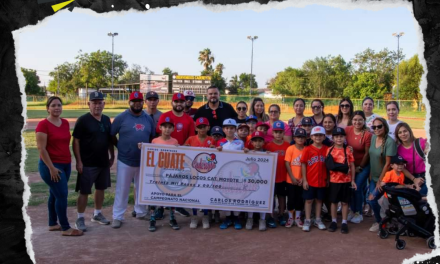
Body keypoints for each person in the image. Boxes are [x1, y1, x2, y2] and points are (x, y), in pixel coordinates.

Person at [35, 96, 83, 236]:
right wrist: (51, 168)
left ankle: (52, 223)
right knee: (62, 195)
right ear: (48, 108)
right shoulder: (43, 125)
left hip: (65, 164)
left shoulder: (65, 123)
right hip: (50, 165)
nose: (57, 108)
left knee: (54, 194)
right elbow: (41, 148)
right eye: (53, 105)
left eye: (59, 105)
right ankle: (65, 227)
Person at [110, 91, 155, 229]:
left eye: (139, 101)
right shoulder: (122, 117)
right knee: (122, 189)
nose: (137, 103)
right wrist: (120, 147)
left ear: (143, 102)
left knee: (141, 188)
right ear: (129, 102)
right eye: (134, 101)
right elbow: (111, 134)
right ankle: (117, 216)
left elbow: (152, 138)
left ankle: (141, 212)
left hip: (143, 160)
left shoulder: (148, 118)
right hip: (125, 159)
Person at [72, 92, 114, 232]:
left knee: (100, 188)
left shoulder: (107, 119)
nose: (97, 105)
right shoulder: (83, 120)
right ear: (88, 104)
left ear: (104, 104)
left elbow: (109, 140)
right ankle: (80, 217)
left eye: (99, 102)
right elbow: (76, 141)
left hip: (103, 161)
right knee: (84, 191)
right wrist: (79, 161)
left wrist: (112, 155)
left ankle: (97, 214)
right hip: (87, 162)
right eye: (94, 102)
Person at [148, 116, 180, 231]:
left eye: (170, 127)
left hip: (169, 173)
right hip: (157, 172)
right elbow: (150, 155)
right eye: (165, 127)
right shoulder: (155, 141)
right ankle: (152, 218)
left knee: (170, 195)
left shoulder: (175, 142)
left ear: (173, 129)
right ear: (160, 127)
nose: (167, 129)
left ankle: (172, 217)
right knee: (154, 195)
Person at [367, 117, 396, 232]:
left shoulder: (390, 142)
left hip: (385, 179)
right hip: (373, 176)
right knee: (370, 199)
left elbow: (388, 164)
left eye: (379, 126)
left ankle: (381, 221)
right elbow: (371, 157)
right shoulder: (373, 138)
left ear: (385, 127)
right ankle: (383, 220)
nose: (376, 129)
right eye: (374, 127)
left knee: (372, 199)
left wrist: (380, 180)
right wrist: (370, 174)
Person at [184, 117, 214, 229]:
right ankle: (195, 215)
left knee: (205, 194)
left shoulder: (211, 139)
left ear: (208, 127)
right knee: (194, 194)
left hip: (207, 172)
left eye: (204, 127)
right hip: (193, 172)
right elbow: (184, 153)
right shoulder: (191, 139)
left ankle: (205, 216)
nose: (202, 129)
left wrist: (214, 149)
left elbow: (216, 157)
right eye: (199, 127)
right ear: (196, 128)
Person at [326, 127, 356, 234]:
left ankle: (344, 222)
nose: (339, 138)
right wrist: (328, 179)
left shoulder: (348, 150)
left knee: (344, 202)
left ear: (344, 137)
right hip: (334, 181)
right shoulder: (329, 150)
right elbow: (328, 166)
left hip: (346, 180)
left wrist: (352, 180)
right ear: (333, 138)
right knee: (333, 202)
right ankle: (334, 221)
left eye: (341, 136)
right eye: (336, 136)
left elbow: (352, 165)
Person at [216, 118, 245, 230]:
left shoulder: (240, 142)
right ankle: (228, 217)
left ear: (235, 129)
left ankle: (236, 217)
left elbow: (244, 156)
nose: (229, 130)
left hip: (237, 173)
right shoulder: (220, 142)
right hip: (225, 173)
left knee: (237, 194)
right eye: (227, 128)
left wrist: (246, 151)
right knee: (226, 194)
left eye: (232, 128)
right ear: (223, 129)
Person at [300, 126, 329, 232]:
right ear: (311, 137)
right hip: (310, 180)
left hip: (322, 180)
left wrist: (328, 179)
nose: (318, 137)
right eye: (316, 135)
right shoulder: (307, 149)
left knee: (319, 200)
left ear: (324, 136)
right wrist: (305, 180)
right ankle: (307, 219)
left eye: (320, 135)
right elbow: (303, 164)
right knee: (308, 200)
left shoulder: (327, 149)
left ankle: (317, 219)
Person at [345, 111, 372, 224]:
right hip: (350, 164)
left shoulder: (367, 134)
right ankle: (352, 210)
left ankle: (359, 213)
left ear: (364, 121)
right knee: (350, 188)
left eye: (360, 120)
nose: (357, 122)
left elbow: (367, 153)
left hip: (363, 165)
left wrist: (360, 167)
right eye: (355, 119)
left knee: (357, 187)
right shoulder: (347, 130)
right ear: (352, 120)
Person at [265, 121, 290, 227]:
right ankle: (270, 216)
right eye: (276, 132)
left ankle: (281, 214)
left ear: (284, 133)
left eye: (280, 132)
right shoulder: (268, 146)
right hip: (271, 177)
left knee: (282, 197)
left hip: (283, 176)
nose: (278, 134)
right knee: (270, 197)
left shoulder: (287, 146)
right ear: (272, 133)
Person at [395, 122, 428, 196]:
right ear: (397, 136)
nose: (403, 134)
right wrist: (414, 179)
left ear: (409, 131)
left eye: (405, 131)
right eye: (400, 132)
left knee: (420, 196)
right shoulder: (399, 150)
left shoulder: (420, 143)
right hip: (409, 177)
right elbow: (402, 168)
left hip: (424, 176)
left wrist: (428, 148)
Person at [245, 131, 268, 231]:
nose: (257, 143)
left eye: (260, 141)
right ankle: (250, 218)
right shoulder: (248, 152)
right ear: (251, 142)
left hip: (263, 182)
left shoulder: (267, 153)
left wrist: (269, 156)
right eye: (255, 141)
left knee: (263, 197)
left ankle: (262, 219)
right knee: (251, 197)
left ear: (263, 142)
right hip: (251, 182)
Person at [285, 128, 307, 228]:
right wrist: (292, 178)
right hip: (291, 179)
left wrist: (303, 178)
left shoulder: (307, 149)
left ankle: (297, 217)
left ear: (305, 139)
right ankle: (290, 217)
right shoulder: (291, 148)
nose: (300, 139)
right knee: (291, 199)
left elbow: (307, 165)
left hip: (302, 180)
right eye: (298, 137)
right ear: (294, 138)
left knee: (299, 199)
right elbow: (287, 164)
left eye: (302, 137)